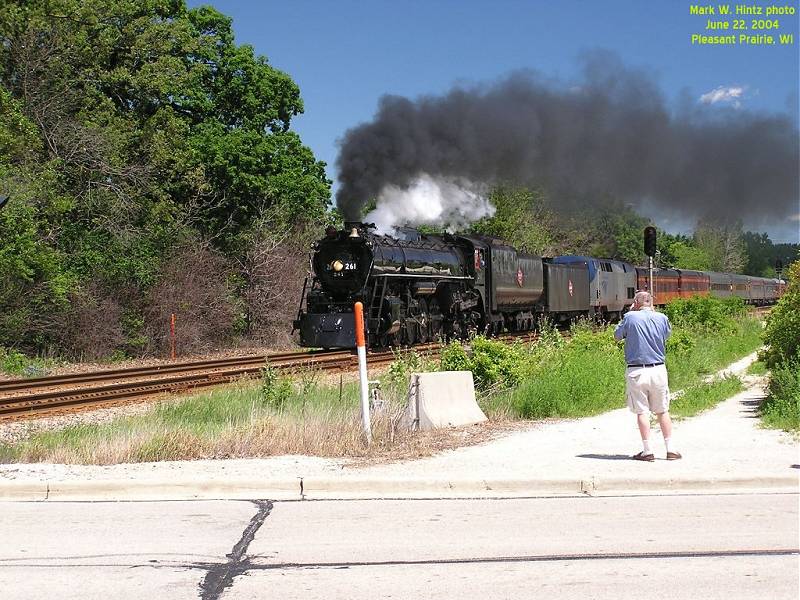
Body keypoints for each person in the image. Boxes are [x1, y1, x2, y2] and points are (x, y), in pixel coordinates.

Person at [614, 290, 681, 462]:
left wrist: (629, 314)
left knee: (642, 412)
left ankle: (647, 451)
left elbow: (617, 336)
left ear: (636, 303)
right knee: (662, 410)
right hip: (658, 369)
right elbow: (666, 336)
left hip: (637, 371)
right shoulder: (662, 318)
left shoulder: (630, 317)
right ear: (651, 303)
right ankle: (670, 449)